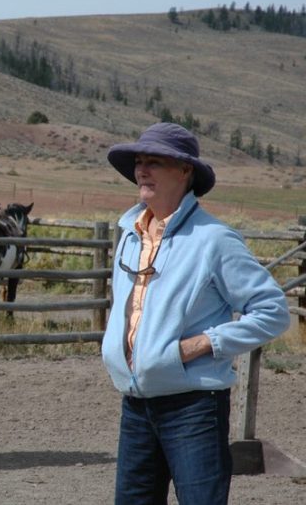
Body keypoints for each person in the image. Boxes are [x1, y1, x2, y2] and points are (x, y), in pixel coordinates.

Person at [102, 122, 290, 504]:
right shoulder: (129, 234)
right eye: (139, 161)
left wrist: (205, 343)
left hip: (193, 407)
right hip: (136, 404)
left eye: (154, 161)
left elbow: (272, 310)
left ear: (185, 171)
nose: (142, 170)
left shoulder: (214, 239)